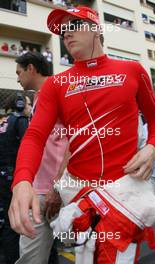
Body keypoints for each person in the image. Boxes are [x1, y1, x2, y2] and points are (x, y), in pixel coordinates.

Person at [9, 6, 155, 264]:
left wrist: (152, 147)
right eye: (63, 31)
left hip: (124, 190)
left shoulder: (132, 70)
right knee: (84, 257)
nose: (66, 35)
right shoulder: (56, 84)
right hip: (78, 193)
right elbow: (35, 135)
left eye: (74, 26)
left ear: (96, 29)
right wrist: (22, 181)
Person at [14, 51, 68, 264]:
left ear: (31, 69)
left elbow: (76, 139)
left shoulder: (61, 90)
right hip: (38, 192)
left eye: (19, 72)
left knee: (89, 251)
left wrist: (57, 187)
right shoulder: (37, 98)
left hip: (63, 191)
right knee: (30, 258)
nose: (17, 78)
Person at [0, 92, 31, 264]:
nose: (28, 107)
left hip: (3, 175)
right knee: (16, 220)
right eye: (26, 104)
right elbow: (28, 149)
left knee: (6, 218)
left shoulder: (3, 121)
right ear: (19, 105)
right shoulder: (20, 121)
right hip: (14, 176)